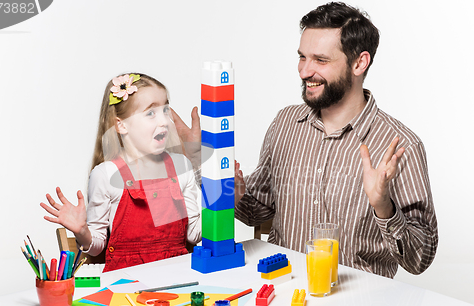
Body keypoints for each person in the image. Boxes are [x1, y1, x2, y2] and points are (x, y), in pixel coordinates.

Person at [174, 2, 438, 278]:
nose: (304, 71)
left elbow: (420, 260)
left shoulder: (401, 145)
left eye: (320, 60)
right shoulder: (285, 124)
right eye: (302, 57)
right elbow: (257, 212)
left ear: (359, 63)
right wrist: (207, 166)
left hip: (356, 302)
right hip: (280, 288)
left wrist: (384, 208)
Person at [41, 73, 201, 272]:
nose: (165, 121)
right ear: (121, 125)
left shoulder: (181, 166)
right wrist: (83, 231)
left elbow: (194, 235)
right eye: (151, 113)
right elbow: (97, 246)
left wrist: (225, 204)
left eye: (165, 110)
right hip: (125, 285)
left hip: (177, 277)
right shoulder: (106, 174)